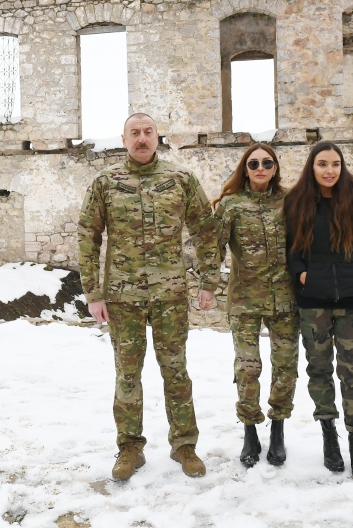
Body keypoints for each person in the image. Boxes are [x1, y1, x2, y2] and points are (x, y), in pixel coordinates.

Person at [78, 113, 220, 481]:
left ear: (158, 137)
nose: (142, 138)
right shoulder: (105, 182)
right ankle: (129, 447)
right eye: (135, 133)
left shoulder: (181, 179)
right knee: (127, 374)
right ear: (123, 139)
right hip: (122, 296)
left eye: (148, 132)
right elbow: (88, 237)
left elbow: (205, 230)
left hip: (169, 295)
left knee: (176, 370)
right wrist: (93, 293)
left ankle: (184, 445)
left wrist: (209, 281)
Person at [284, 141, 353, 479]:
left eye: (335, 164)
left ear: (342, 166)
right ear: (312, 167)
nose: (329, 170)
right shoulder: (297, 202)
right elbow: (291, 248)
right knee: (320, 370)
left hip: (352, 299)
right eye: (322, 164)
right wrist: (302, 274)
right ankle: (328, 435)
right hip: (314, 301)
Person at [214, 143, 299, 468]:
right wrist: (207, 283)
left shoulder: (291, 201)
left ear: (275, 168)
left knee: (285, 366)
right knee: (247, 368)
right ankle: (250, 430)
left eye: (267, 163)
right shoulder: (231, 204)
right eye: (253, 164)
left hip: (286, 299)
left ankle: (278, 428)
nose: (260, 168)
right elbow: (214, 247)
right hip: (245, 301)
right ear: (245, 168)